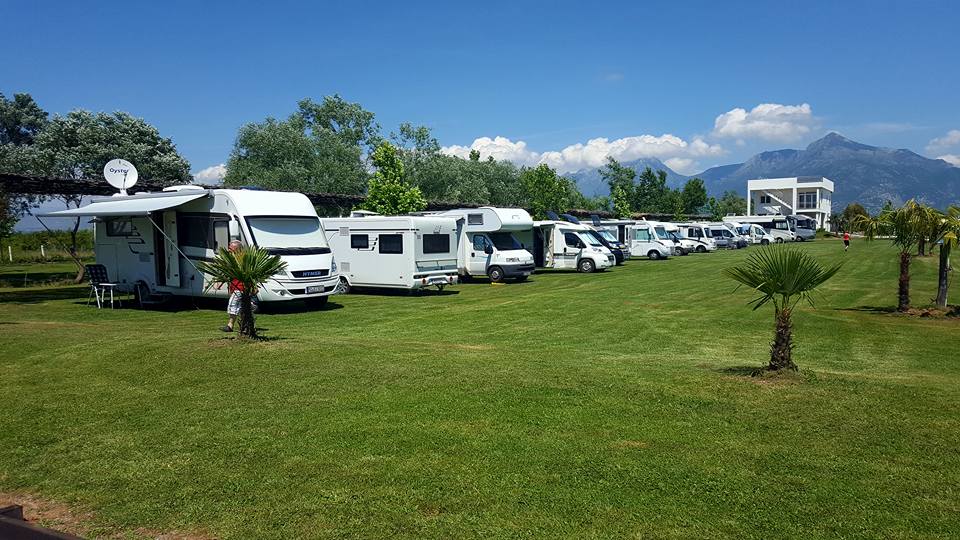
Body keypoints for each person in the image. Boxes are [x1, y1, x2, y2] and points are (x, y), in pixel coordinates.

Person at [222, 240, 244, 332]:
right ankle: (245, 325)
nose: (228, 250)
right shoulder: (231, 260)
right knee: (241, 307)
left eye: (231, 249)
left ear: (237, 249)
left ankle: (230, 325)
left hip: (240, 287)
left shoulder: (242, 260)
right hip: (235, 286)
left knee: (233, 305)